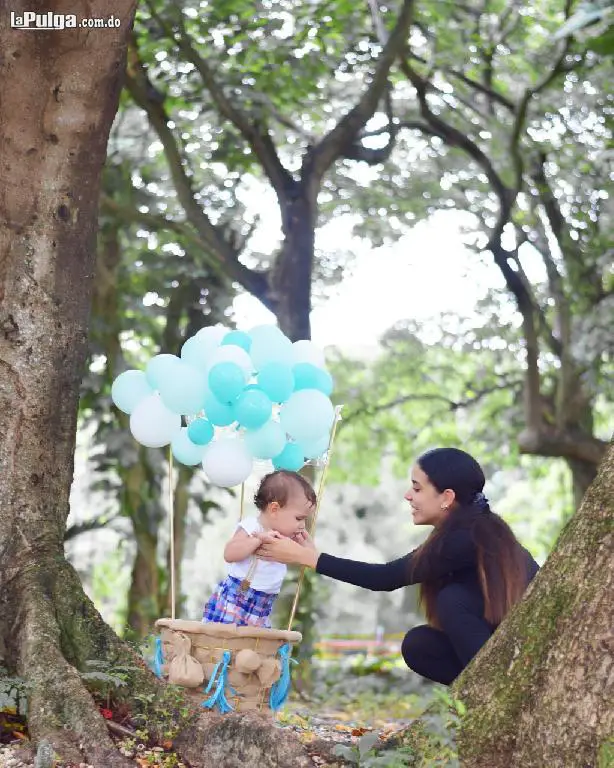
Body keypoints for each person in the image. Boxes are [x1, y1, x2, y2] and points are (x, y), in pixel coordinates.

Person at [257, 447, 539, 684]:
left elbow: (386, 577)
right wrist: (312, 554)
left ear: (447, 498)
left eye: (417, 488)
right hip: (496, 647)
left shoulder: (467, 537)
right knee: (419, 645)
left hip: (519, 656)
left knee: (451, 600)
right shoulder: (463, 530)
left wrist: (306, 557)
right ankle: (479, 690)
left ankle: (491, 687)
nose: (408, 495)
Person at [202, 469, 316, 629]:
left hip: (263, 604)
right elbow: (230, 553)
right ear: (274, 509)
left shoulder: (286, 539)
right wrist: (256, 541)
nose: (302, 525)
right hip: (238, 596)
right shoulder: (252, 527)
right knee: (224, 637)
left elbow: (306, 559)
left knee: (253, 643)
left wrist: (307, 548)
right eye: (299, 518)